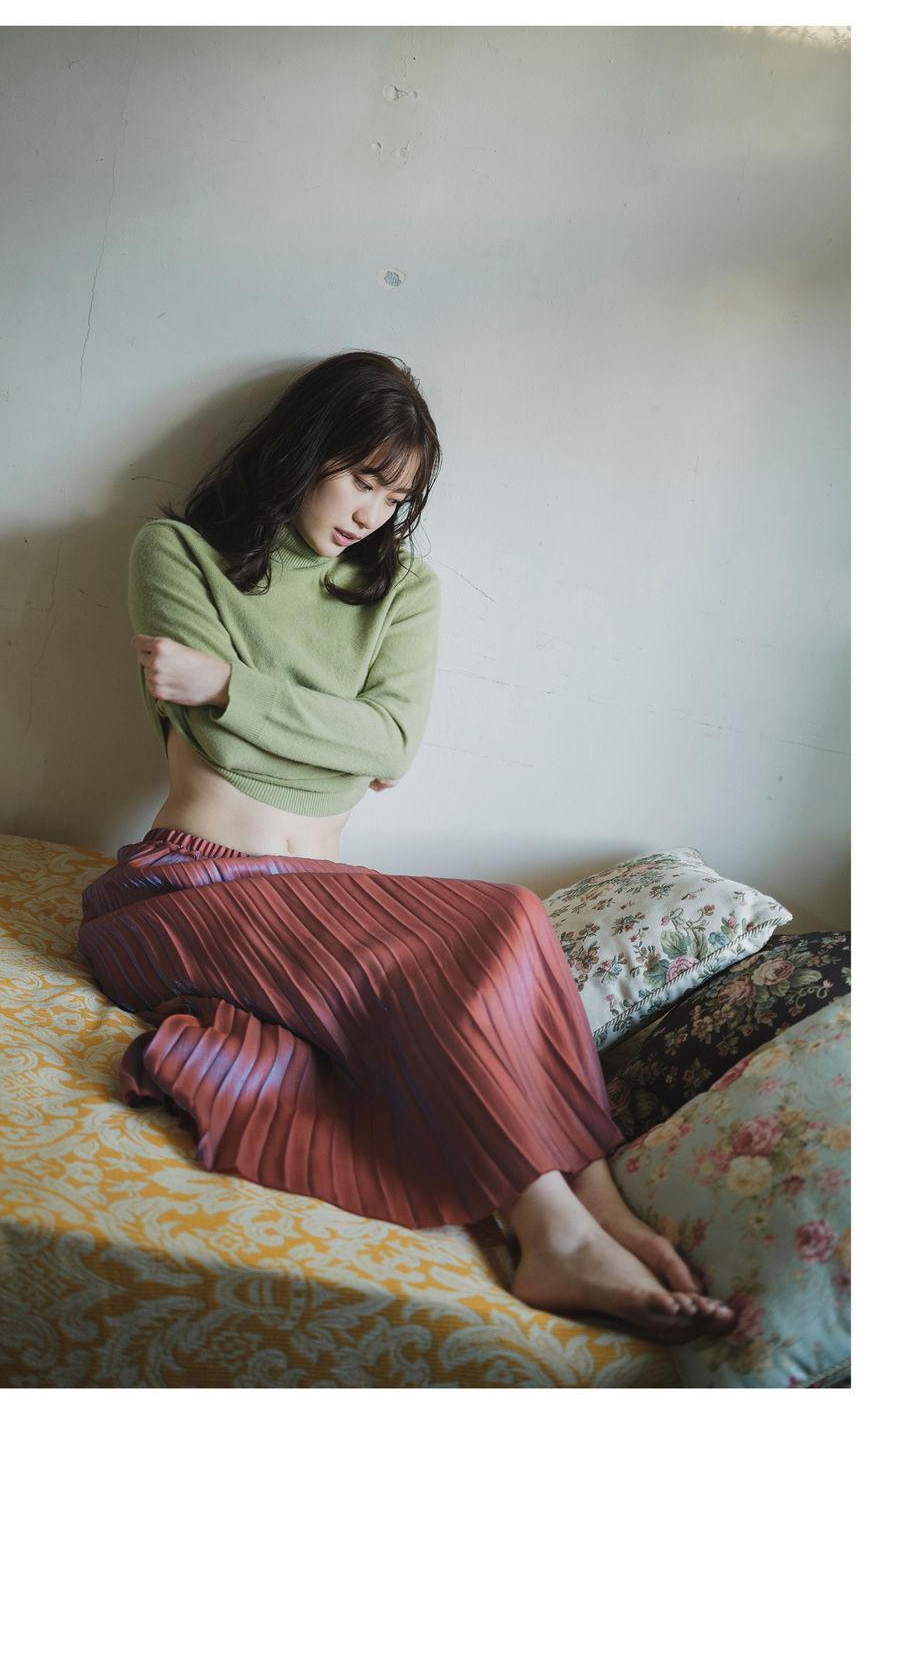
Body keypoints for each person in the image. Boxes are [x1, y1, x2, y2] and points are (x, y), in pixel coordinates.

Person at [76, 350, 735, 1345]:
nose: (371, 514)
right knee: (442, 947)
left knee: (508, 920)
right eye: (361, 479)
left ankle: (598, 1201)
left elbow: (390, 747)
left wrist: (225, 684)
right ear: (303, 451)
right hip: (191, 891)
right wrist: (305, 726)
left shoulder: (401, 590)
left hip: (312, 888)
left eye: (395, 498)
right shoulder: (177, 552)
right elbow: (242, 748)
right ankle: (547, 1230)